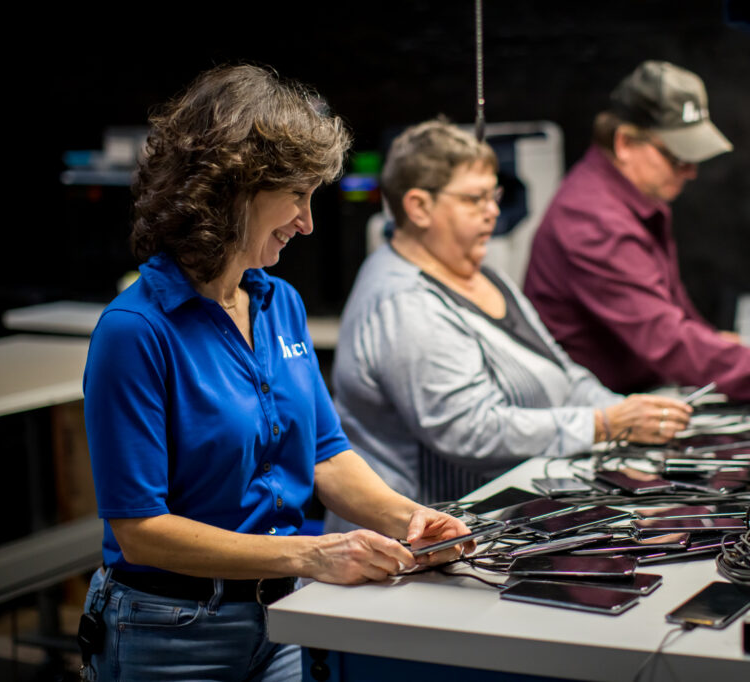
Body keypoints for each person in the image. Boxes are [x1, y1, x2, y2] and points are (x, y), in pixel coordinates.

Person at [80, 66, 471, 682]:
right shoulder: (135, 331)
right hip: (171, 631)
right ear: (233, 189)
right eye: (297, 196)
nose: (308, 222)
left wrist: (409, 518)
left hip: (281, 617)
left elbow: (323, 455)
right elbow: (141, 532)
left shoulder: (278, 303)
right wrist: (313, 554)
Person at [328, 119, 692, 524]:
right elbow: (469, 430)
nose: (493, 212)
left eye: (494, 195)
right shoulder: (405, 302)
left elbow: (563, 371)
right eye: (474, 199)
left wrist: (627, 414)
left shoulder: (482, 273)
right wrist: (601, 424)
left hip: (495, 519)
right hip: (416, 540)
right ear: (419, 207)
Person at [523, 60, 750, 404]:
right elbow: (670, 344)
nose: (691, 171)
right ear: (624, 144)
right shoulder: (593, 220)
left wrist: (713, 344)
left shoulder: (635, 198)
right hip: (591, 416)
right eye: (678, 157)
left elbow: (672, 315)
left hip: (635, 397)